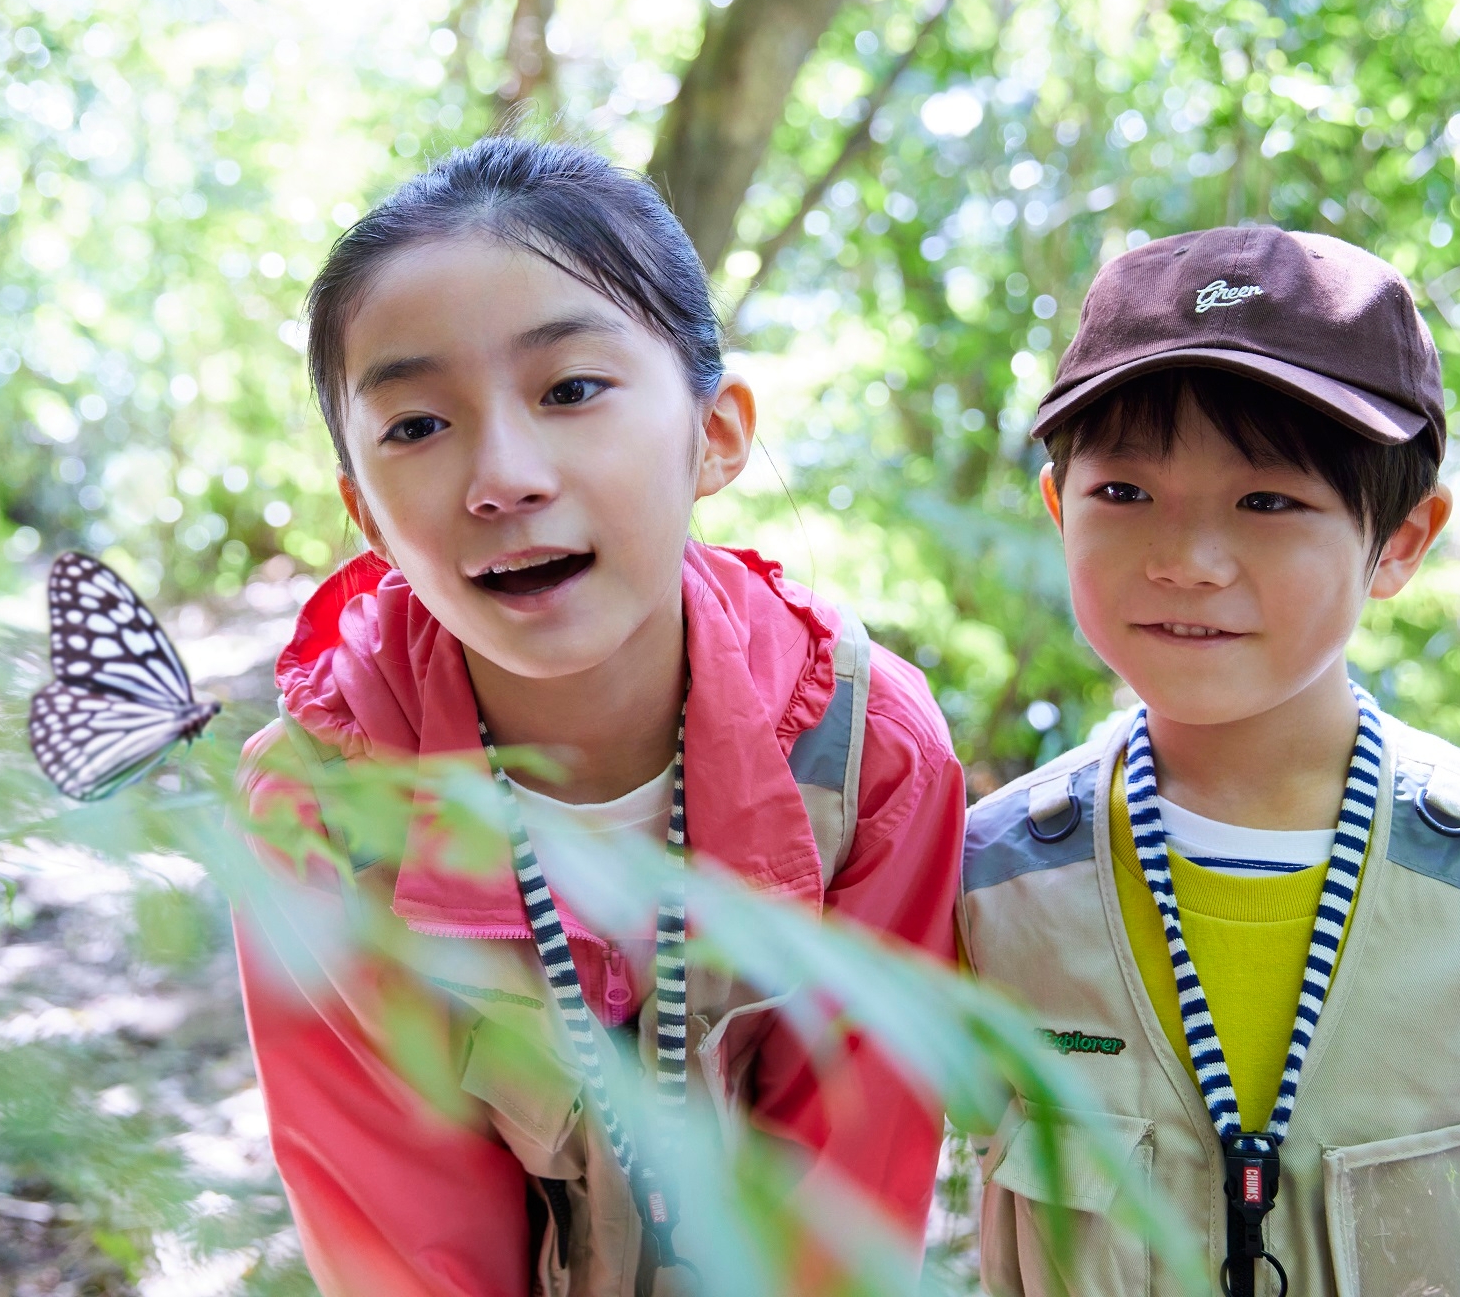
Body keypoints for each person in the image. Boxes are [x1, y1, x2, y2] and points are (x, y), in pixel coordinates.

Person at [236, 138, 965, 1295]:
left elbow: (845, 1224)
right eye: (416, 425)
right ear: (363, 512)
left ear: (714, 432)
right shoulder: (322, 812)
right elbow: (404, 1252)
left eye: (571, 390)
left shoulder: (868, 758)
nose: (504, 475)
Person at [959, 226, 1460, 1297]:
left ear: (1400, 543)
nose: (1187, 561)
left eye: (1268, 502)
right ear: (1059, 510)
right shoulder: (992, 877)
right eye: (1124, 493)